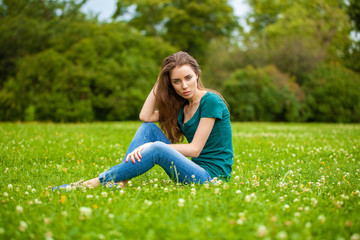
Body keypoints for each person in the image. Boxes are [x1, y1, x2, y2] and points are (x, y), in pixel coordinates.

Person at [52, 51, 233, 190]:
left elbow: (195, 149)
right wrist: (159, 82)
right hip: (191, 171)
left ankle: (96, 182)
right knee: (148, 128)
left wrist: (152, 147)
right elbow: (145, 116)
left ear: (197, 75)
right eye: (176, 81)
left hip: (211, 178)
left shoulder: (211, 101)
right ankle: (120, 180)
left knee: (156, 147)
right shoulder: (182, 106)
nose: (184, 86)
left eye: (188, 78)